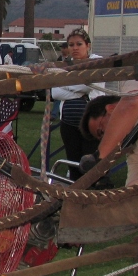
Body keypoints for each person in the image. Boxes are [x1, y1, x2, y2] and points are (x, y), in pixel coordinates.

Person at [50, 28, 101, 180]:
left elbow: (91, 85)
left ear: (88, 45)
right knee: (73, 163)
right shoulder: (64, 65)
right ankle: (74, 198)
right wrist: (80, 89)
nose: (75, 48)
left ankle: (89, 197)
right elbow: (56, 93)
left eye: (79, 44)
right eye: (71, 45)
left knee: (90, 163)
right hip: (68, 123)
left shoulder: (97, 61)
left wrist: (67, 84)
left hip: (91, 122)